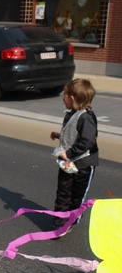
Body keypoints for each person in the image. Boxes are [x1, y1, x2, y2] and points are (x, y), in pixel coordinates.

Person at [49, 78, 99, 233]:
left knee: (76, 196)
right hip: (67, 163)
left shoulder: (87, 118)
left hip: (83, 164)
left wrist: (68, 153)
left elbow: (87, 141)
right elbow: (73, 134)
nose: (63, 98)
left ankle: (71, 220)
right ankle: (59, 224)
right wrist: (60, 135)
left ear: (72, 98)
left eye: (65, 95)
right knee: (63, 192)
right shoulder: (71, 114)